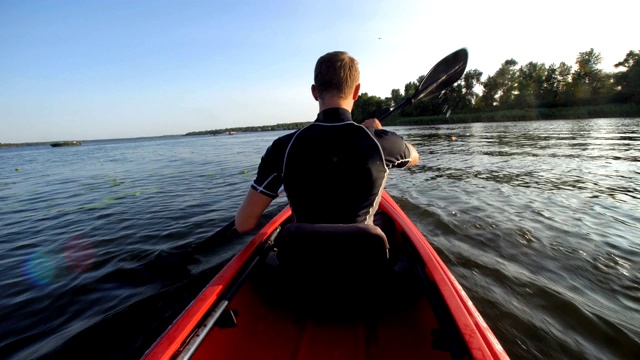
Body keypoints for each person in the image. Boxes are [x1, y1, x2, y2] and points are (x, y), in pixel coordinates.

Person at [235, 51, 419, 234]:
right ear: (356, 91)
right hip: (362, 260)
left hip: (303, 261)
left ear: (315, 92)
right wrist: (379, 132)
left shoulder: (282, 147)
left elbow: (244, 223)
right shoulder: (381, 143)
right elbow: (414, 156)